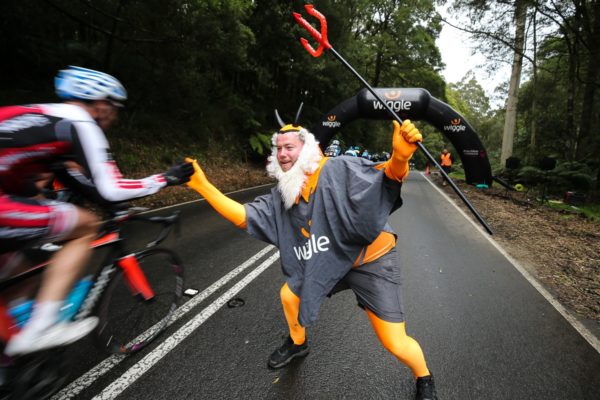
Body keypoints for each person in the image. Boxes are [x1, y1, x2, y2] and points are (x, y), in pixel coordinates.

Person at [184, 113, 438, 400]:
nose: (282, 154)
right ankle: (297, 343)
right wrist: (203, 186)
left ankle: (424, 377)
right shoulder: (284, 194)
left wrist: (401, 158)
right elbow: (245, 217)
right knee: (289, 295)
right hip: (328, 261)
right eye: (278, 148)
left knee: (395, 343)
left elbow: (387, 174)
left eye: (289, 147)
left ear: (309, 149)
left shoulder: (340, 168)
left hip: (370, 259)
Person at [0, 66, 193, 356]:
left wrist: (114, 206)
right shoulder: (80, 122)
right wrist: (165, 178)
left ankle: (11, 348)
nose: (114, 115)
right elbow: (110, 188)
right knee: (86, 226)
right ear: (101, 103)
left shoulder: (45, 117)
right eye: (115, 107)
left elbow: (72, 179)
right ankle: (40, 329)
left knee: (23, 266)